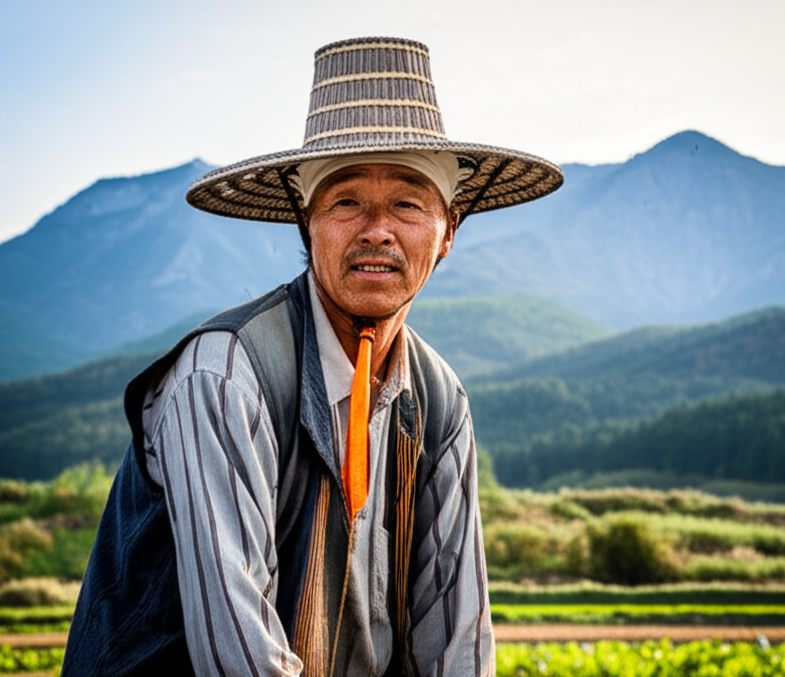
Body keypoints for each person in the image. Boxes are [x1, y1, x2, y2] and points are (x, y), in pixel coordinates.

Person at [63, 36, 563, 677]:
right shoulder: (225, 377)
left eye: (409, 203)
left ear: (448, 233)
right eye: (346, 200)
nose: (377, 229)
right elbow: (239, 658)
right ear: (308, 222)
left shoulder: (437, 401)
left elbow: (457, 643)